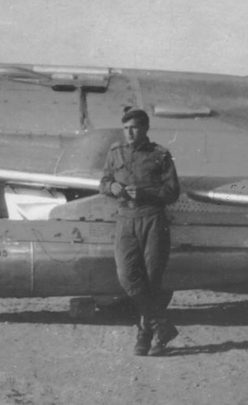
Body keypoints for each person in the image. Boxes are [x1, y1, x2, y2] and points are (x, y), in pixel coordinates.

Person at [100, 106, 181, 356]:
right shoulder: (115, 153)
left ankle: (146, 335)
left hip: (153, 219)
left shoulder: (160, 155)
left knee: (151, 279)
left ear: (145, 128)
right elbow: (103, 182)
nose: (129, 133)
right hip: (126, 220)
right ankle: (161, 325)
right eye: (125, 128)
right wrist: (111, 185)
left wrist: (147, 193)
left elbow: (172, 192)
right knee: (126, 275)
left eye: (134, 127)